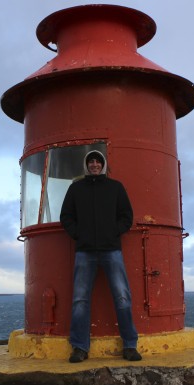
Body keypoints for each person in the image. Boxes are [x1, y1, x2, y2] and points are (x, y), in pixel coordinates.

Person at [60, 150, 142, 363]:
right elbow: (66, 216)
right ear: (86, 166)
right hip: (84, 251)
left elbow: (127, 216)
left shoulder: (115, 187)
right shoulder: (75, 188)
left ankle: (130, 346)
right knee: (80, 301)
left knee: (122, 297)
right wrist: (79, 234)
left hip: (111, 249)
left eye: (98, 161)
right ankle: (79, 348)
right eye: (91, 162)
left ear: (103, 164)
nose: (95, 164)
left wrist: (114, 232)